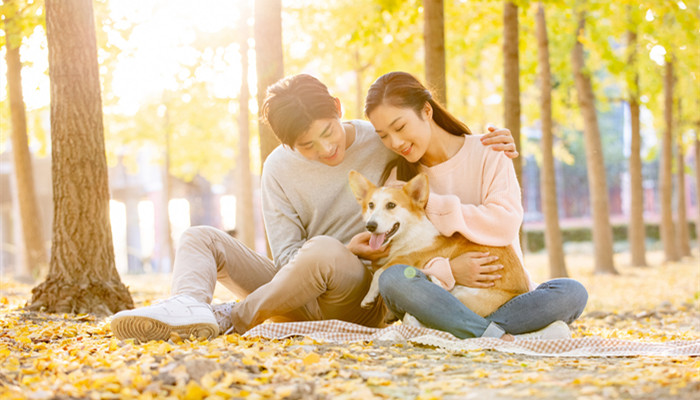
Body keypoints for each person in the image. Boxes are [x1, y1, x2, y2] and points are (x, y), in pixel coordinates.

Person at [110, 74, 518, 342]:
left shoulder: (381, 141)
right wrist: (340, 250)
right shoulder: (278, 168)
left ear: (338, 108)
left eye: (327, 132)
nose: (326, 149)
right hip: (297, 281)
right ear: (288, 145)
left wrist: (492, 141)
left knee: (324, 248)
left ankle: (230, 316)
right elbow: (287, 256)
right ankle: (187, 307)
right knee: (199, 236)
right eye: (307, 145)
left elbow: (424, 139)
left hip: (358, 290)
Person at [364, 71, 588, 341]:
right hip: (436, 291)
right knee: (395, 278)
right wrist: (449, 270)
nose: (395, 142)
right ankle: (505, 335)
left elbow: (503, 225)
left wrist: (431, 203)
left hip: (503, 295)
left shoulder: (490, 152)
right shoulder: (399, 180)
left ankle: (445, 328)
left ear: (426, 110)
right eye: (383, 136)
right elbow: (400, 254)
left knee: (572, 292)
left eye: (399, 127)